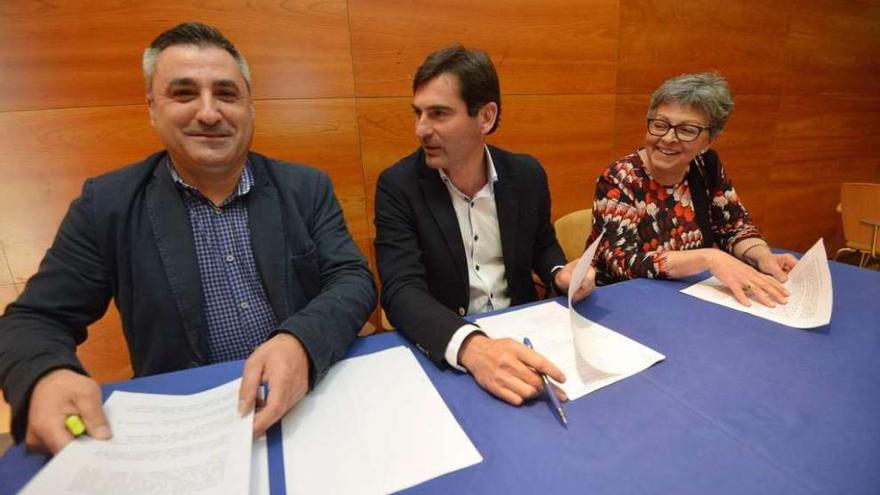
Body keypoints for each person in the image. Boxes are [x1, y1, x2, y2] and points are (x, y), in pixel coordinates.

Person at [0, 22, 376, 454]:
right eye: (184, 94)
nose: (209, 112)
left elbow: (352, 278)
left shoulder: (305, 187)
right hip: (190, 427)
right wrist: (45, 374)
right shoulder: (107, 204)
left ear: (250, 106)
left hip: (307, 402)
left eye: (226, 93)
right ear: (152, 108)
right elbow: (32, 321)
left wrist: (301, 341)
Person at [374, 45, 595, 407]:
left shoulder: (526, 174)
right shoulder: (398, 186)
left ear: (486, 117)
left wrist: (560, 272)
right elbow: (401, 291)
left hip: (528, 335)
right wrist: (472, 347)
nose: (421, 129)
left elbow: (541, 244)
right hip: (451, 348)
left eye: (439, 114)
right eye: (418, 113)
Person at [587, 72, 797, 307]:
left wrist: (762, 256)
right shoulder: (621, 177)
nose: (668, 138)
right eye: (660, 125)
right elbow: (618, 262)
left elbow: (734, 228)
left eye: (686, 130)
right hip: (629, 300)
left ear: (708, 142)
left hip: (690, 296)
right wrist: (709, 257)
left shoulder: (706, 166)